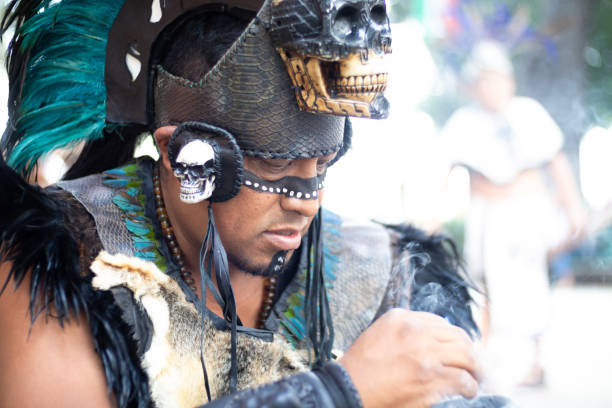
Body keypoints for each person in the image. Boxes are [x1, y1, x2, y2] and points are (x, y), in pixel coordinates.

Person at [0, 1, 508, 407]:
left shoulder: (384, 271)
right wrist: (335, 393)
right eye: (274, 168)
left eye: (322, 166)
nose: (306, 205)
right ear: (185, 157)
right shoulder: (57, 263)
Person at [442, 41, 587, 390]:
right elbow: (445, 168)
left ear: (509, 81)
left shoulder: (528, 113)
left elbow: (557, 162)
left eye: (496, 79)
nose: (491, 87)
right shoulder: (465, 121)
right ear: (475, 85)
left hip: (525, 212)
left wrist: (574, 210)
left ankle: (536, 362)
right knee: (482, 284)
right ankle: (480, 357)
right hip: (485, 214)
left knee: (531, 284)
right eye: (484, 80)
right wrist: (435, 214)